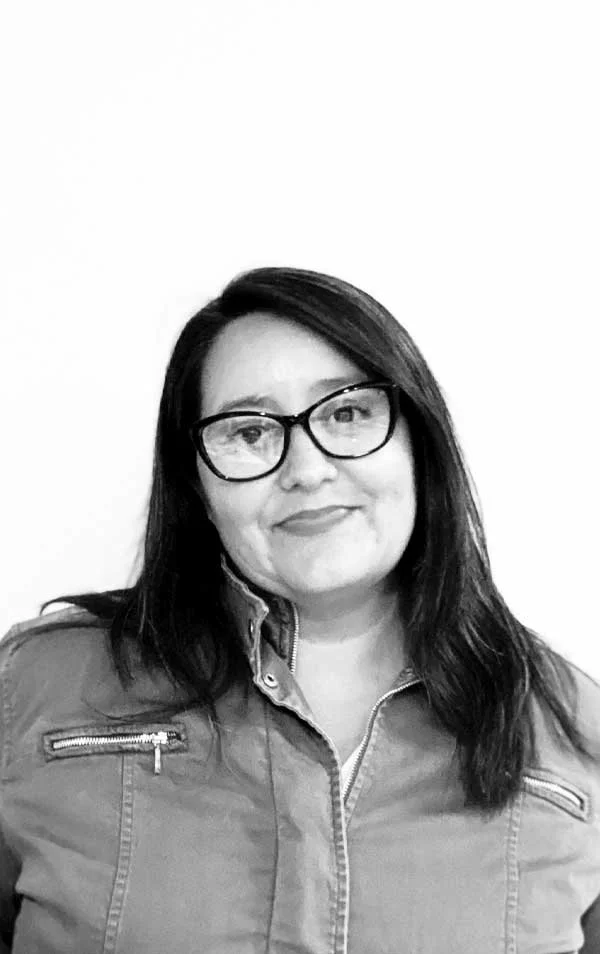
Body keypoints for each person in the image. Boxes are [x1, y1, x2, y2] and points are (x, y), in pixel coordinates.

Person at [0, 266, 599, 954]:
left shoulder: (573, 731)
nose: (306, 469)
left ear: (419, 447)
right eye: (248, 433)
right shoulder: (36, 688)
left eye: (347, 414)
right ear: (195, 484)